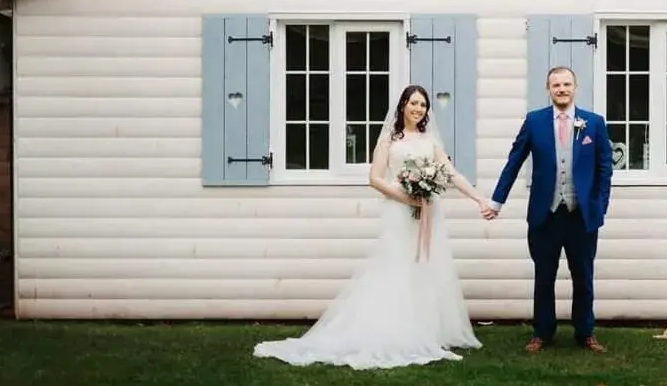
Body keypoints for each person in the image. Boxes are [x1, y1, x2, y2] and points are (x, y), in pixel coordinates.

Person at [253, 84, 490, 369]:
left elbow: (451, 174)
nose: (418, 109)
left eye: (423, 105)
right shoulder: (390, 139)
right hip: (400, 212)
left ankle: (427, 329)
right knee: (397, 267)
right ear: (403, 105)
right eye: (413, 103)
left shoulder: (430, 141)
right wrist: (407, 198)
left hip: (428, 212)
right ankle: (395, 329)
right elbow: (375, 178)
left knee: (428, 266)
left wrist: (479, 199)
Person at [484, 66, 613, 353]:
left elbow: (605, 168)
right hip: (545, 214)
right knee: (544, 276)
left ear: (575, 87)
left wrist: (600, 205)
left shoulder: (593, 123)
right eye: (556, 85)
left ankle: (585, 332)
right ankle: (542, 331)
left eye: (566, 84)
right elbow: (514, 162)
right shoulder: (534, 121)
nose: (562, 89)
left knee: (583, 276)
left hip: (581, 216)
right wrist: (497, 200)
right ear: (548, 89)